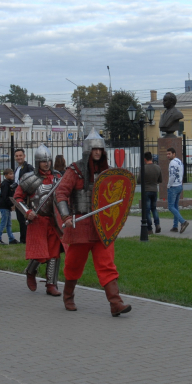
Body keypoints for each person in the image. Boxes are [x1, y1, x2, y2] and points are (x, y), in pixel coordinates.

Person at [55, 128, 131, 316]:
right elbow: (61, 193)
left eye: (100, 149)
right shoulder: (74, 170)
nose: (97, 152)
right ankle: (68, 296)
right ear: (88, 150)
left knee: (107, 265)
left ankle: (115, 303)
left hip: (102, 228)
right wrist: (66, 216)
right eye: (94, 149)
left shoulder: (108, 172)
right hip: (80, 224)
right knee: (73, 265)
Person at [14, 144, 63, 296]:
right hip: (37, 221)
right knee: (40, 254)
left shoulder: (58, 178)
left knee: (54, 253)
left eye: (48, 160)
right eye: (43, 161)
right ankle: (30, 270)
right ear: (37, 162)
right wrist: (27, 211)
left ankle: (51, 284)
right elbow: (17, 198)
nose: (46, 163)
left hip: (54, 221)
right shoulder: (30, 179)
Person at [14, 148, 34, 244]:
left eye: (20, 155)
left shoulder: (28, 167)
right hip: (18, 197)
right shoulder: (17, 169)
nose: (19, 158)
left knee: (25, 219)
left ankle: (26, 239)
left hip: (26, 198)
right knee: (20, 219)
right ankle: (23, 239)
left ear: (24, 156)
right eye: (17, 156)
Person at [138, 151, 162, 233]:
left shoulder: (143, 168)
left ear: (145, 159)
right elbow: (160, 180)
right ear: (151, 158)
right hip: (154, 190)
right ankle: (157, 224)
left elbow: (138, 180)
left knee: (147, 210)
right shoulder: (158, 168)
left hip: (146, 190)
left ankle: (149, 228)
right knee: (154, 209)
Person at [166, 147, 188, 233]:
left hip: (173, 187)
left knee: (171, 207)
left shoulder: (172, 163)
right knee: (175, 207)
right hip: (179, 185)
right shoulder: (179, 161)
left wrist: (168, 185)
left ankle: (183, 222)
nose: (168, 155)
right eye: (167, 154)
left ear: (174, 154)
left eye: (169, 154)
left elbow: (172, 175)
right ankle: (175, 226)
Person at [0, 168, 17, 245]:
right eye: (10, 174)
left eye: (12, 173)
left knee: (8, 223)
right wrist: (11, 205)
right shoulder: (5, 184)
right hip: (4, 206)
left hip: (6, 206)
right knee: (3, 223)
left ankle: (11, 238)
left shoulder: (10, 183)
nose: (12, 175)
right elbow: (5, 197)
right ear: (5, 175)